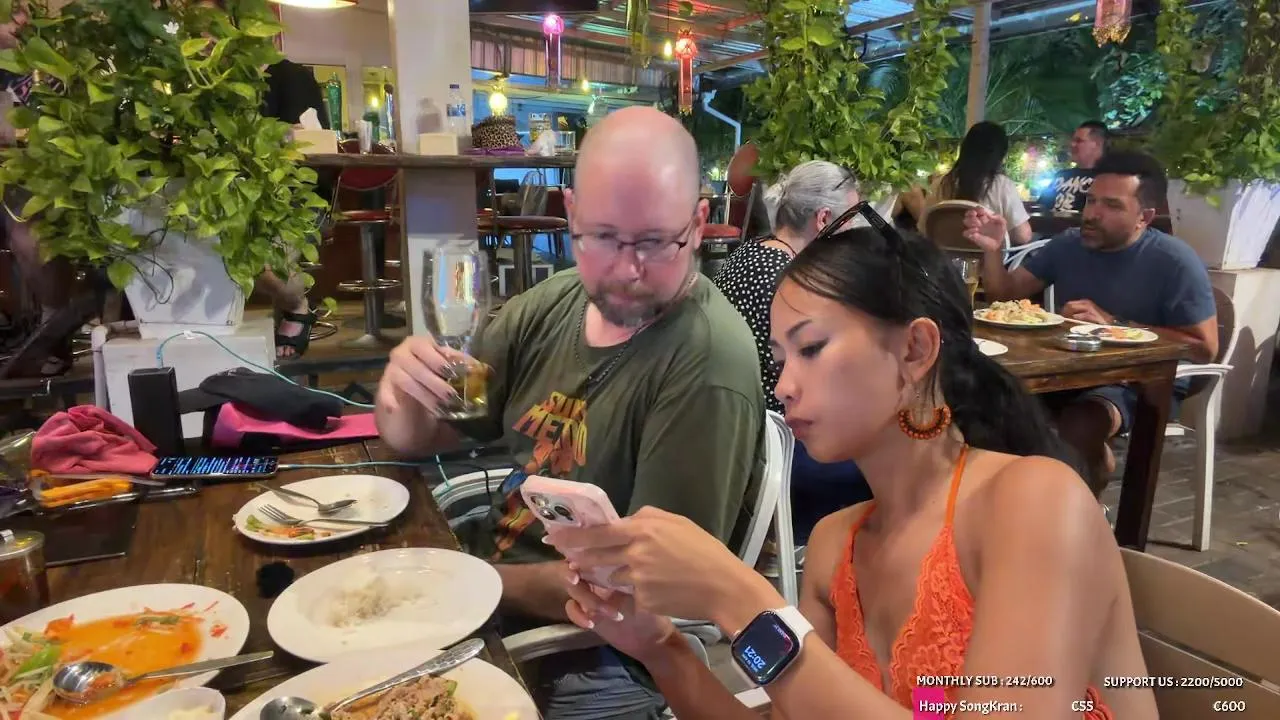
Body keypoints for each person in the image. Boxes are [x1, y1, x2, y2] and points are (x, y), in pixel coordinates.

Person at [545, 210, 1158, 719]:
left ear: (915, 348)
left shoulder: (1032, 502)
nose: (783, 386)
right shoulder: (836, 544)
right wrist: (662, 647)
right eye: (780, 358)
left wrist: (737, 597)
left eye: (811, 348)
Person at [375, 106, 766, 720]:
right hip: (488, 596)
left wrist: (462, 583)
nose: (627, 269)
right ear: (571, 213)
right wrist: (402, 393)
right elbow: (433, 430)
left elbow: (648, 596)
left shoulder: (708, 363)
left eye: (655, 242)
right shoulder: (553, 304)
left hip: (596, 653)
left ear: (697, 224)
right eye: (603, 237)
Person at [967, 150, 1217, 495]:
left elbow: (1205, 347)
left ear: (1144, 217)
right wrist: (993, 249)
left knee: (1079, 425)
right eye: (1091, 200)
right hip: (1069, 370)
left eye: (1112, 206)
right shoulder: (1069, 245)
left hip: (1139, 382)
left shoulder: (1174, 261)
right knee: (983, 406)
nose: (1092, 214)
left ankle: (1080, 511)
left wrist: (1115, 324)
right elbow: (1004, 293)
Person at [713, 160, 871, 545]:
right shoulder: (797, 284)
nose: (855, 233)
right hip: (778, 455)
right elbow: (828, 384)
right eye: (852, 220)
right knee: (890, 458)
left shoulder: (744, 255)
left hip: (732, 443)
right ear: (824, 219)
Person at [200, 0, 324, 358]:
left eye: (213, 26)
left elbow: (310, 139)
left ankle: (297, 304)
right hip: (228, 191)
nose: (206, 37)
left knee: (250, 251)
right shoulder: (213, 82)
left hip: (289, 196)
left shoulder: (292, 77)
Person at [0, 1, 77, 375]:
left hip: (29, 169)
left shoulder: (43, 61)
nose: (15, 22)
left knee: (30, 234)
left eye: (18, 12)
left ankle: (52, 329)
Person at [920, 121, 1031, 246]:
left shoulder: (939, 184)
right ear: (1000, 156)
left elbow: (923, 229)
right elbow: (1023, 236)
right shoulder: (1002, 185)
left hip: (943, 257)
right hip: (990, 257)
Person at [1039, 120, 1108, 214]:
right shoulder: (1061, 175)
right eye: (1073, 140)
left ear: (1097, 144)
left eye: (1079, 141)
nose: (1072, 144)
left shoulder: (1108, 178)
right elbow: (1041, 206)